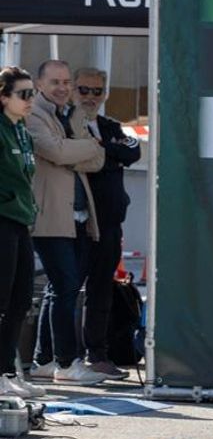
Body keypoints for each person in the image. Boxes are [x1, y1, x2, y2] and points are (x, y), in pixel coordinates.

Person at [25, 59, 105, 386]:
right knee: (67, 287)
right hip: (49, 217)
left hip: (77, 217)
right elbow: (56, 152)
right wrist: (84, 148)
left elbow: (98, 161)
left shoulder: (70, 115)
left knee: (61, 288)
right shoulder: (33, 115)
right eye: (54, 82)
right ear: (39, 84)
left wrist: (77, 150)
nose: (62, 88)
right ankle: (66, 363)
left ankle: (43, 360)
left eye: (65, 82)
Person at [71, 67, 140, 379]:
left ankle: (97, 355)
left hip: (110, 223)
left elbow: (133, 151)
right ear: (73, 90)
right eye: (84, 90)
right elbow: (74, 157)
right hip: (77, 222)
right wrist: (107, 153)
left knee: (102, 291)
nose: (90, 97)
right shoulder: (65, 123)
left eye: (97, 91)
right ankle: (56, 358)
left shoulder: (111, 126)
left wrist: (103, 149)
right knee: (65, 290)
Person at [0, 69, 42, 399]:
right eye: (23, 95)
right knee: (2, 298)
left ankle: (8, 371)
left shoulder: (22, 130)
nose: (30, 101)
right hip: (2, 219)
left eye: (32, 94)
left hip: (21, 221)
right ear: (4, 97)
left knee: (21, 299)